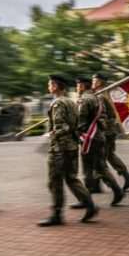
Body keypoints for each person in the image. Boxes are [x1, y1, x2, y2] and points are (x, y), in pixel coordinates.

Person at [38, 75, 98, 227]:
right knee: (72, 179)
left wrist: (49, 136)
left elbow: (61, 127)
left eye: (50, 84)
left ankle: (56, 214)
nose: (48, 87)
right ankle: (90, 205)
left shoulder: (57, 103)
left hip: (59, 148)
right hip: (71, 146)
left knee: (55, 181)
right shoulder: (71, 102)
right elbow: (76, 124)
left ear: (56, 86)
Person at [72, 77, 124, 208]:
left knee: (88, 170)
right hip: (99, 136)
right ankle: (117, 190)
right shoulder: (97, 98)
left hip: (89, 139)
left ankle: (86, 200)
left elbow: (81, 123)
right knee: (100, 167)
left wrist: (73, 134)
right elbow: (103, 117)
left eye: (77, 86)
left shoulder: (84, 100)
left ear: (83, 87)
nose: (76, 88)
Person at [92, 73, 129, 192]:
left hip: (105, 131)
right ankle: (126, 177)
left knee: (100, 156)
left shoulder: (101, 96)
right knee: (109, 155)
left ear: (99, 82)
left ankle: (99, 183)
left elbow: (101, 115)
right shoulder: (107, 94)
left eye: (94, 81)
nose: (92, 83)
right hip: (110, 130)